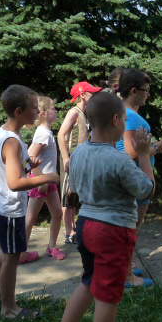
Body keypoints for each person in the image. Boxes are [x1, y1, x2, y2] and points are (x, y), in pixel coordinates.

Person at [48, 91, 154, 322]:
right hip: (113, 232)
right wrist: (144, 155)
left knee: (88, 281)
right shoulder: (118, 159)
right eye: (125, 120)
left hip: (86, 226)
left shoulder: (79, 153)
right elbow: (145, 189)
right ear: (117, 120)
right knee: (108, 295)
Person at [0, 85, 59, 319]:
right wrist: (47, 177)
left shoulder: (6, 133)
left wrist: (28, 165)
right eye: (34, 108)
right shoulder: (11, 141)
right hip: (9, 208)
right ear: (19, 111)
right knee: (11, 258)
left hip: (1, 205)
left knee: (6, 251)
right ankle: (9, 308)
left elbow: (10, 167)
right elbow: (14, 183)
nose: (38, 112)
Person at [117, 69, 162, 286]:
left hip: (133, 177)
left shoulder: (123, 113)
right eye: (145, 90)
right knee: (131, 228)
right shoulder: (130, 116)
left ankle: (126, 266)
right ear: (133, 90)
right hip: (136, 179)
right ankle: (126, 275)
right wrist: (153, 149)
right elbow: (130, 151)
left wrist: (151, 147)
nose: (148, 94)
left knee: (130, 227)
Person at [57, 81, 102, 244]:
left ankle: (75, 229)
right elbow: (61, 135)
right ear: (83, 95)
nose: (95, 96)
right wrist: (65, 158)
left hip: (81, 159)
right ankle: (69, 232)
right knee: (67, 196)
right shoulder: (74, 112)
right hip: (71, 159)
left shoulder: (85, 113)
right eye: (92, 93)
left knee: (75, 196)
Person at [25, 96, 66, 262]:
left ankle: (52, 247)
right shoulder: (43, 134)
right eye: (53, 109)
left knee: (57, 214)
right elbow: (30, 157)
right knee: (30, 218)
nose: (56, 111)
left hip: (48, 182)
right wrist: (40, 179)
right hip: (41, 182)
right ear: (42, 113)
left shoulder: (47, 132)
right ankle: (20, 252)